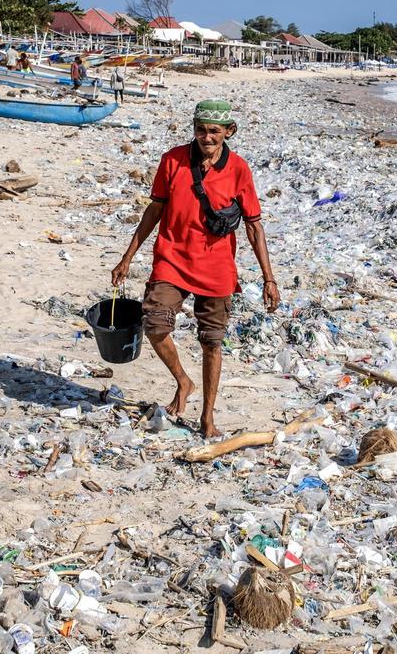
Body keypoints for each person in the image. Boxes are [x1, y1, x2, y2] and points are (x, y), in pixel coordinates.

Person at [112, 100, 280, 438]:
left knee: (212, 343)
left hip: (217, 268)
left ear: (229, 132)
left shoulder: (239, 170)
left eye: (214, 131)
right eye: (201, 130)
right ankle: (183, 381)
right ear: (194, 130)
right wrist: (127, 256)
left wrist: (269, 278)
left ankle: (207, 417)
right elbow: (154, 211)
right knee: (155, 323)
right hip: (172, 258)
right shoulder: (172, 160)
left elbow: (254, 226)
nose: (207, 137)